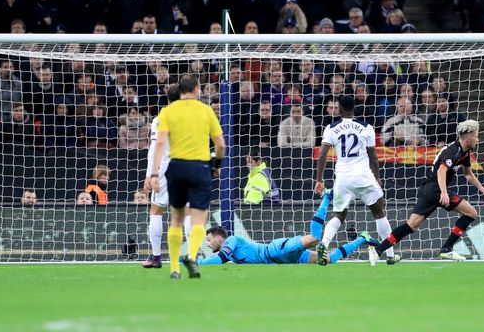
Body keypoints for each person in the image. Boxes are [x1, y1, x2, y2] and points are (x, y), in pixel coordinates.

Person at [371, 120, 484, 263]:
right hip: (436, 189)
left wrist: (480, 187)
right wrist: (444, 193)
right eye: (476, 136)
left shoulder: (464, 152)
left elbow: (468, 174)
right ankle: (447, 249)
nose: (478, 139)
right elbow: (441, 170)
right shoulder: (454, 151)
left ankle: (377, 250)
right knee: (471, 213)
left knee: (411, 225)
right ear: (469, 137)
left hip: (429, 189)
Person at [151, 75, 225, 279]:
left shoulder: (167, 111)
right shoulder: (206, 110)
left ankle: (174, 267)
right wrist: (216, 165)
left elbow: (159, 144)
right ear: (196, 90)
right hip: (199, 168)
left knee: (176, 219)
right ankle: (192, 255)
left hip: (175, 167)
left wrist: (154, 173)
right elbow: (220, 144)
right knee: (200, 218)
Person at [314, 95, 399, 265]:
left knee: (339, 215)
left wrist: (319, 180)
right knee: (379, 212)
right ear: (354, 108)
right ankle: (390, 254)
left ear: (339, 109)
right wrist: (377, 178)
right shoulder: (366, 127)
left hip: (343, 178)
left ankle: (324, 243)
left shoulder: (331, 128)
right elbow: (373, 157)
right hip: (363, 176)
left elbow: (322, 154)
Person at [199, 192, 377, 265]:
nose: (208, 244)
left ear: (219, 238)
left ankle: (327, 197)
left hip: (276, 250)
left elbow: (218, 260)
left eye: (208, 239)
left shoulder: (231, 240)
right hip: (284, 261)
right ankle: (363, 238)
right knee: (328, 259)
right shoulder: (230, 252)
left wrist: (196, 263)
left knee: (315, 238)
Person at [142, 84, 193, 269]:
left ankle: (156, 258)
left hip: (166, 168)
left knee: (156, 210)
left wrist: (150, 174)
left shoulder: (161, 118)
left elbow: (155, 148)